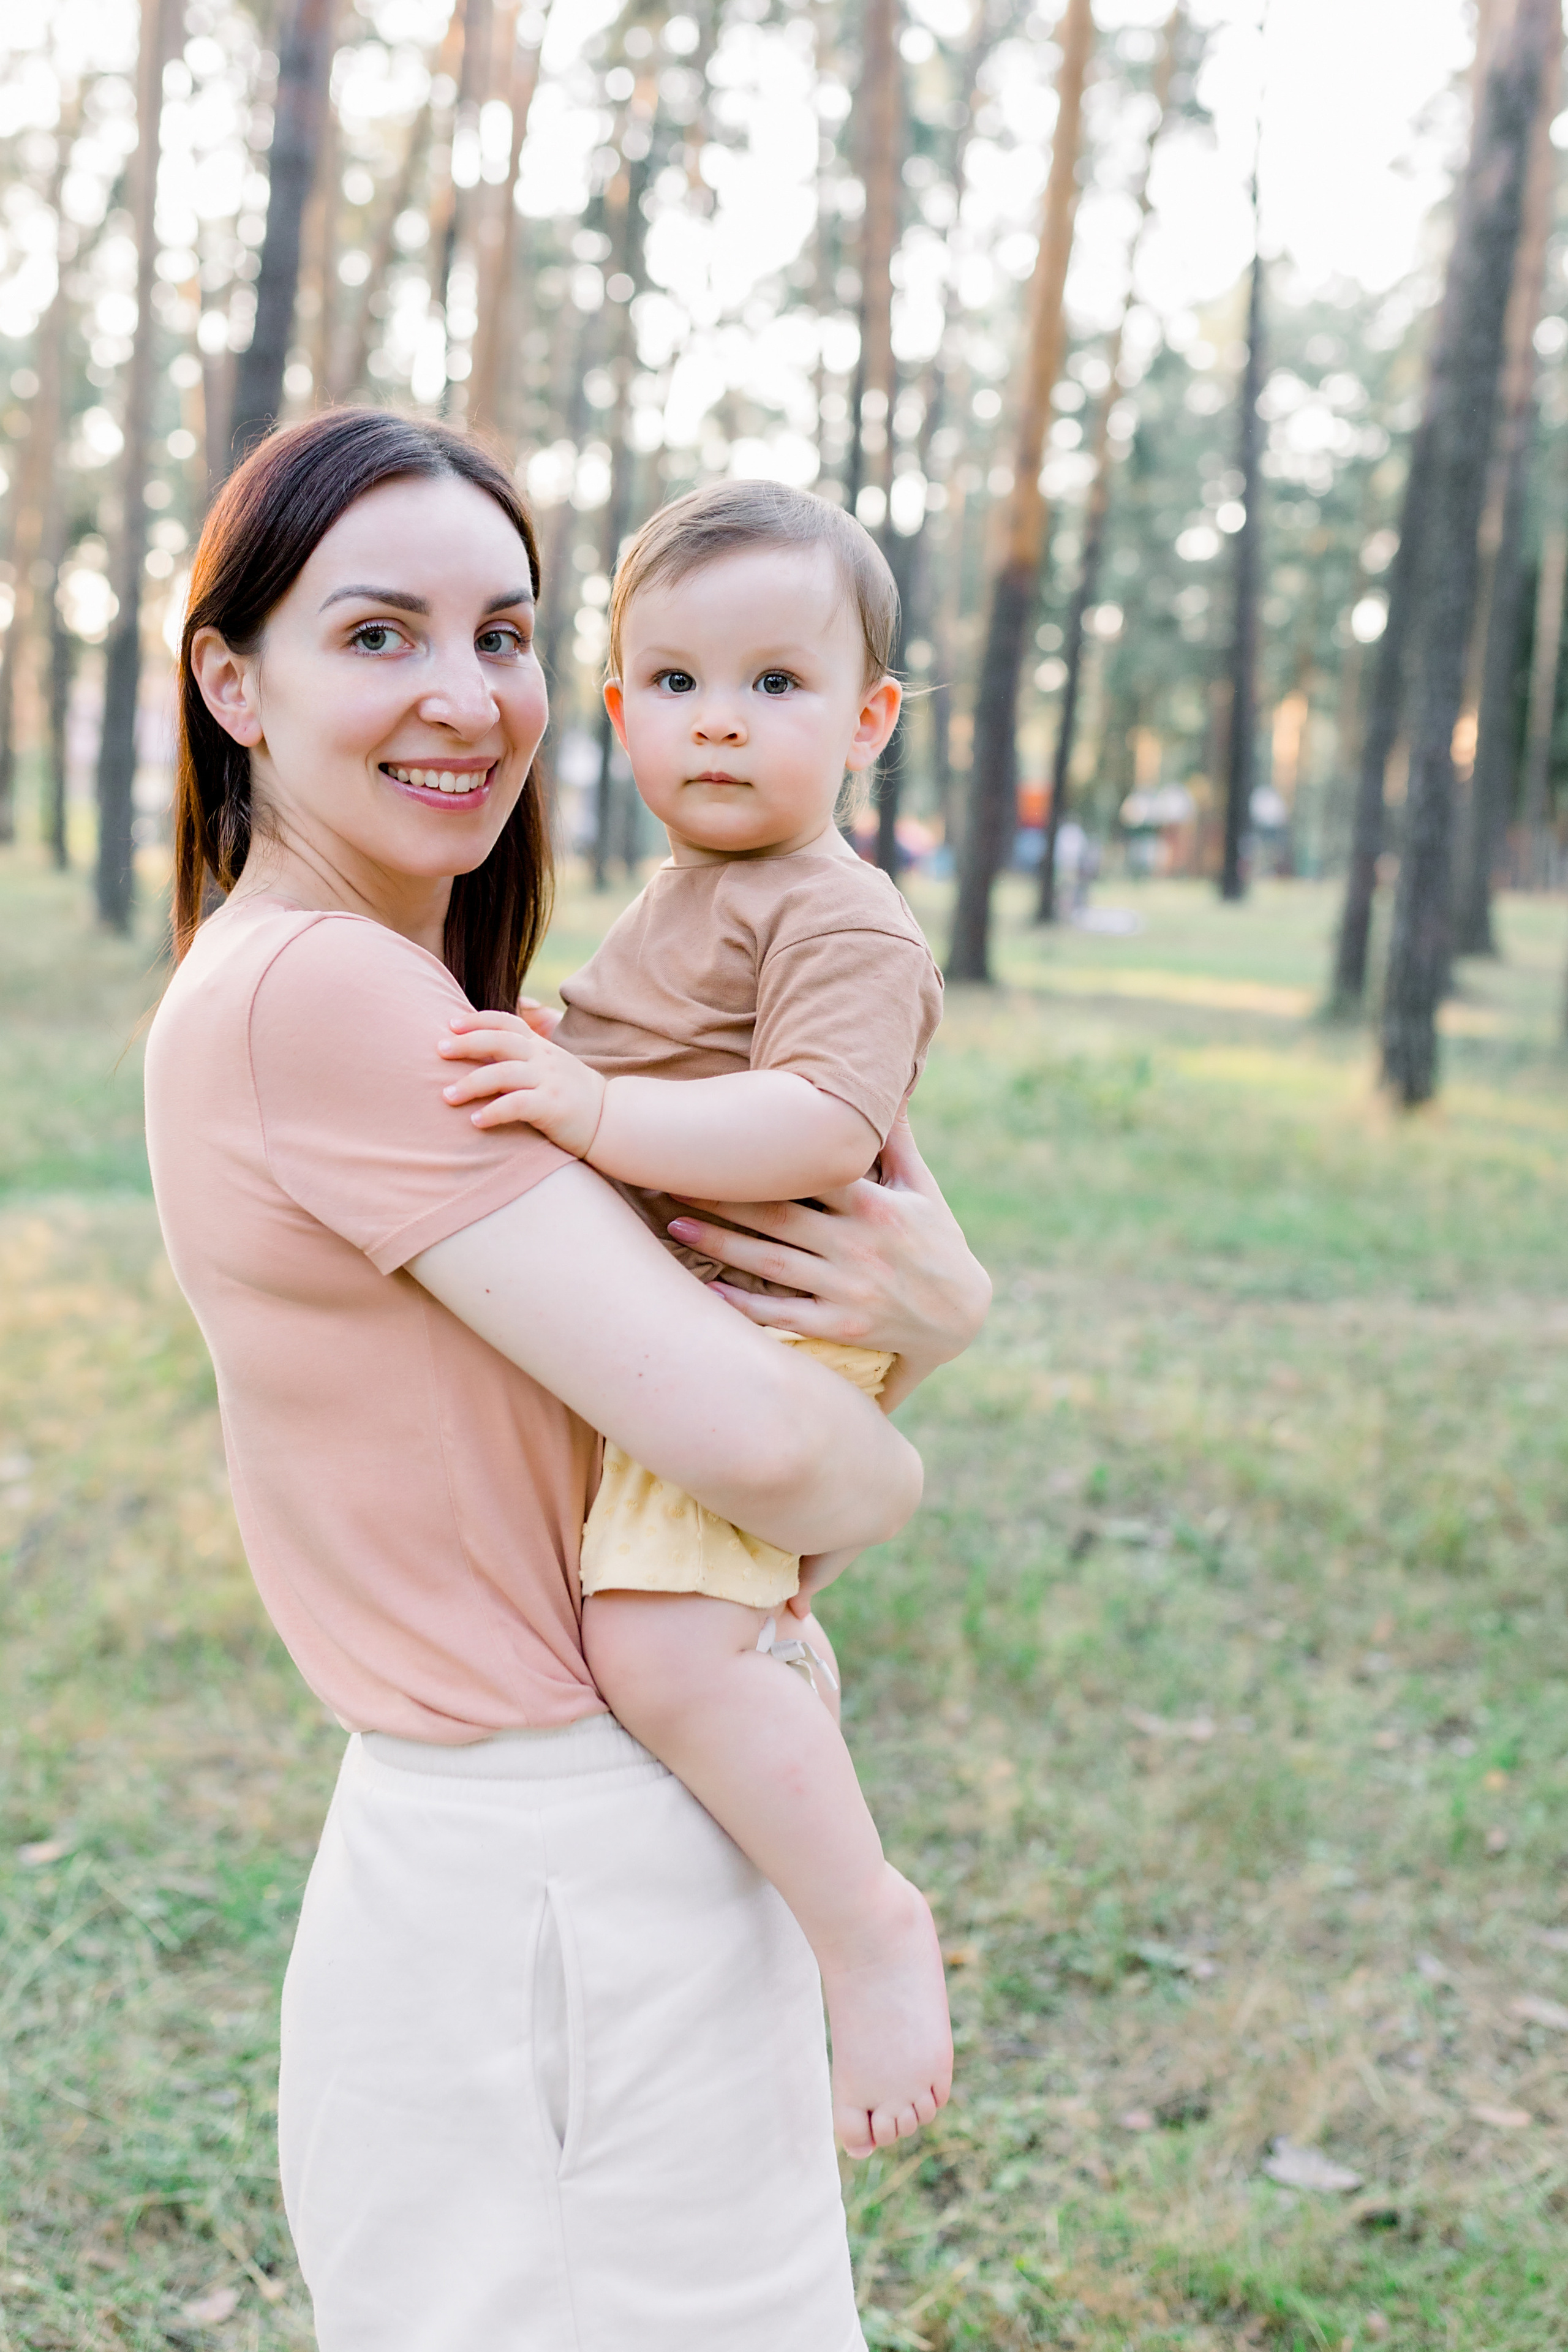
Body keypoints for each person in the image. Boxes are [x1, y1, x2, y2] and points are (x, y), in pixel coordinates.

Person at [141, 409, 990, 2352]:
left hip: (568, 1855)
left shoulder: (415, 997)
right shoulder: (327, 993)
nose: (465, 696)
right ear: (229, 680)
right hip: (558, 1872)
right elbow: (782, 1459)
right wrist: (916, 1392)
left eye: (504, 634)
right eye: (378, 635)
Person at [436, 480, 953, 2160]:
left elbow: (812, 1122)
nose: (717, 725)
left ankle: (868, 1921)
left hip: (776, 1318)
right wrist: (551, 1049)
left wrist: (585, 1113)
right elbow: (619, 1043)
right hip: (695, 1307)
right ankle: (772, 1681)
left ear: (870, 719)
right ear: (616, 710)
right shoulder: (679, 900)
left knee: (657, 1645)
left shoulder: (840, 912)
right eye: (672, 685)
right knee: (702, 1629)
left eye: (775, 685)